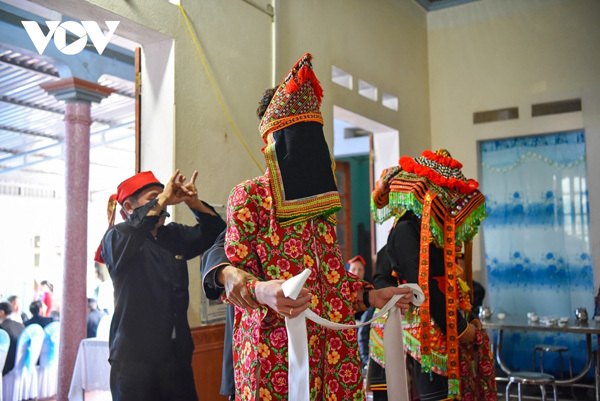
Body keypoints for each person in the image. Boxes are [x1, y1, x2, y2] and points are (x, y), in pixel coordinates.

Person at [224, 53, 413, 401]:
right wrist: (264, 291)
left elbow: (334, 285)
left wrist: (371, 296)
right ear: (274, 145)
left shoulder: (322, 207)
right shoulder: (248, 197)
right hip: (278, 359)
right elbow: (237, 281)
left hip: (336, 360)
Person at [371, 149, 496, 400]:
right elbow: (424, 288)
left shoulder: (427, 233)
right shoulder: (407, 229)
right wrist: (462, 329)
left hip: (435, 321)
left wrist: (467, 318)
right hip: (418, 331)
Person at [96, 169, 226, 401]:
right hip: (135, 361)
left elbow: (218, 234)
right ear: (128, 207)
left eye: (162, 195)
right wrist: (164, 197)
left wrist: (193, 203)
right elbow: (132, 231)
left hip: (176, 355)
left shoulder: (172, 235)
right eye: (153, 197)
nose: (163, 201)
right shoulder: (116, 237)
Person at [198, 88, 275, 401]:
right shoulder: (252, 197)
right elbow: (220, 246)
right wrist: (226, 272)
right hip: (254, 360)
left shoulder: (318, 206)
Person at [0, 301, 25, 375]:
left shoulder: (2, 328)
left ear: (1, 312)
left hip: (6, 367)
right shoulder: (20, 325)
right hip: (21, 364)